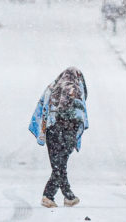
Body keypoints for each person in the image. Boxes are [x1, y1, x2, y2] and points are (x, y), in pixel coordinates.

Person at [29, 67, 88, 208]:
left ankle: (53, 196)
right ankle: (64, 196)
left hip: (51, 131)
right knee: (60, 166)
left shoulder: (52, 88)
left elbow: (42, 108)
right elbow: (79, 113)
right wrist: (71, 127)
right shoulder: (75, 89)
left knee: (58, 166)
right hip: (67, 132)